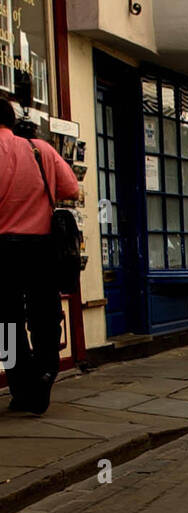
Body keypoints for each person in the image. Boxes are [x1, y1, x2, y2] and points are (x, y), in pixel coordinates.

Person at [0, 97, 80, 414]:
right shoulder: (39, 149)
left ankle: (21, 387)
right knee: (44, 314)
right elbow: (71, 188)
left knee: (5, 323)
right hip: (41, 246)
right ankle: (46, 372)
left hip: (2, 248)